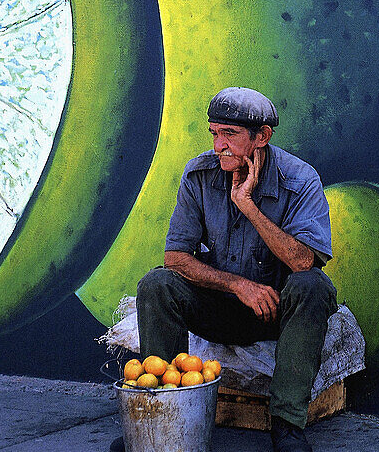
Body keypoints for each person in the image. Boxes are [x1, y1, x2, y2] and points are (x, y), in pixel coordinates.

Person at [123, 87, 336, 452]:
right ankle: (160, 415)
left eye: (230, 135)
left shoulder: (300, 180)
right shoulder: (200, 174)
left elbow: (304, 261)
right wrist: (238, 285)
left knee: (313, 285)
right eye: (214, 133)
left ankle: (286, 426)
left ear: (262, 137)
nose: (219, 145)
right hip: (220, 304)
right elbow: (176, 257)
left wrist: (247, 205)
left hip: (275, 311)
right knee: (157, 284)